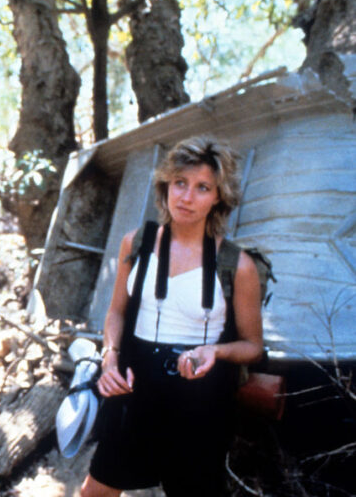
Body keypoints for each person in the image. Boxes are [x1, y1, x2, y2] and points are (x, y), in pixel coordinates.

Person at [80, 136, 264, 497]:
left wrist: (216, 352)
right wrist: (110, 358)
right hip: (135, 389)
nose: (187, 197)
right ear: (165, 185)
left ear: (218, 197)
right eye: (180, 183)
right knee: (96, 491)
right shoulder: (136, 244)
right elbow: (116, 312)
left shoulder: (237, 265)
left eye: (202, 188)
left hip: (200, 398)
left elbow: (253, 346)